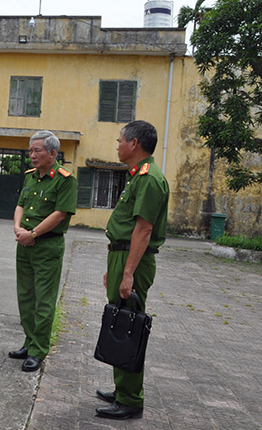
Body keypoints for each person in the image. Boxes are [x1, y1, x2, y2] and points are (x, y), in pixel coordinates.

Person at [95, 120, 168, 420]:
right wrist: (114, 269)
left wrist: (127, 274)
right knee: (119, 320)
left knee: (129, 326)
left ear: (134, 144)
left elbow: (143, 230)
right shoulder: (137, 176)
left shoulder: (150, 178)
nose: (117, 145)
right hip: (123, 257)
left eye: (120, 140)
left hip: (133, 260)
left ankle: (130, 400)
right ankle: (122, 389)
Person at [9, 130, 77, 371]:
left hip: (47, 246)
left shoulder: (65, 179)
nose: (32, 155)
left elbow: (59, 214)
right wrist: (18, 229)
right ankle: (29, 342)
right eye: (30, 151)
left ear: (52, 153)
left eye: (37, 150)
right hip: (24, 244)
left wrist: (33, 234)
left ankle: (38, 350)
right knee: (26, 297)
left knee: (44, 301)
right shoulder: (30, 177)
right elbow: (20, 205)